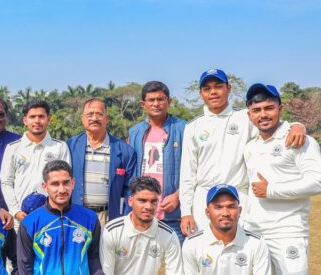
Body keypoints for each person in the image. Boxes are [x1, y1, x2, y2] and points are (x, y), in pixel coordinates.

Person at [242, 83, 321, 275]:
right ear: (249, 113)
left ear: (280, 108)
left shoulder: (298, 139)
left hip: (287, 230)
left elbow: (317, 180)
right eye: (257, 110)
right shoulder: (251, 145)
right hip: (255, 230)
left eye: (268, 108)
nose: (263, 114)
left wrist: (272, 190)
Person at [179, 68, 305, 237]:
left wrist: (297, 125)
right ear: (201, 93)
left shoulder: (245, 118)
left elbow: (273, 124)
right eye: (207, 88)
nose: (213, 92)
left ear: (228, 89)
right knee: (206, 255)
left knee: (241, 255)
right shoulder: (193, 126)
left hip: (238, 196)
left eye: (218, 86)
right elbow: (187, 173)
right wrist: (186, 212)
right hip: (204, 197)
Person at [127, 81, 186, 241]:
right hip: (142, 214)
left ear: (169, 101)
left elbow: (196, 168)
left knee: (174, 265)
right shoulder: (135, 132)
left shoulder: (184, 129)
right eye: (151, 100)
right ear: (143, 104)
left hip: (173, 215)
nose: (156, 104)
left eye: (160, 99)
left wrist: (178, 195)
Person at [0, 99, 70, 226]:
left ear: (48, 119)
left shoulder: (60, 147)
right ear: (25, 120)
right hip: (20, 220)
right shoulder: (13, 148)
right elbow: (6, 182)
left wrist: (56, 209)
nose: (37, 121)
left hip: (52, 218)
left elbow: (65, 182)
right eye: (32, 117)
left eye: (41, 116)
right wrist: (16, 211)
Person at [67, 99, 136, 225]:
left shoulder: (124, 151)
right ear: (82, 119)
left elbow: (130, 190)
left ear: (107, 118)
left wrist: (126, 219)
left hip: (109, 217)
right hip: (76, 215)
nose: (94, 118)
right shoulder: (70, 146)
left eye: (99, 114)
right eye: (90, 114)